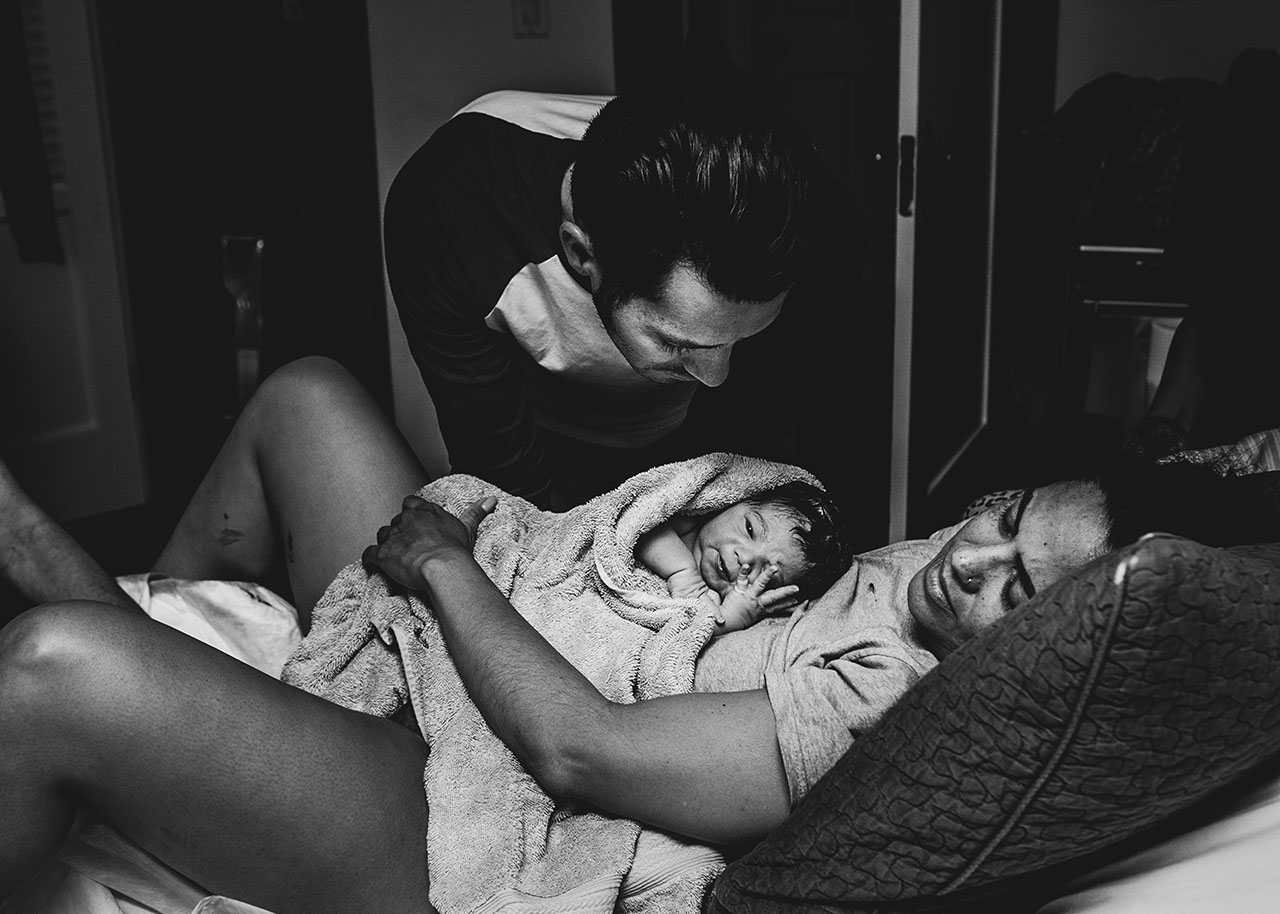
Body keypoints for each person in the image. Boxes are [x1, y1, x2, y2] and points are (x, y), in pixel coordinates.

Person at [0, 358, 1265, 912]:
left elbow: (583, 750)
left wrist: (443, 564)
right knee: (308, 399)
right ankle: (184, 650)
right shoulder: (935, 567)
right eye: (999, 518)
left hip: (458, 803)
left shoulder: (881, 695)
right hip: (521, 632)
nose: (969, 558)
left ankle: (145, 697)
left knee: (56, 668)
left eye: (1014, 592)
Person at [383, 82, 878, 528]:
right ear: (581, 254)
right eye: (677, 342)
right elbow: (500, 471)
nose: (716, 373)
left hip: (710, 437)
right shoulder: (449, 206)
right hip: (540, 434)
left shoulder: (818, 236)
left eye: (743, 338)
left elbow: (744, 435)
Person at [636, 480, 853, 632]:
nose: (746, 559)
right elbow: (640, 521)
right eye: (750, 529)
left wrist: (730, 619)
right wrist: (684, 573)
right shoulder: (685, 520)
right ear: (736, 500)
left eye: (768, 574)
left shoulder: (716, 600)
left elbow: (694, 633)